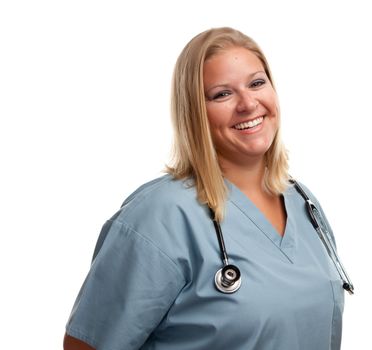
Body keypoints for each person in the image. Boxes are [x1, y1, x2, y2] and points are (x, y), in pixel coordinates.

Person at [64, 27, 351, 350]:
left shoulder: (303, 203)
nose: (247, 104)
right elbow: (86, 345)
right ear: (194, 112)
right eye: (221, 94)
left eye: (257, 83)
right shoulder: (161, 216)